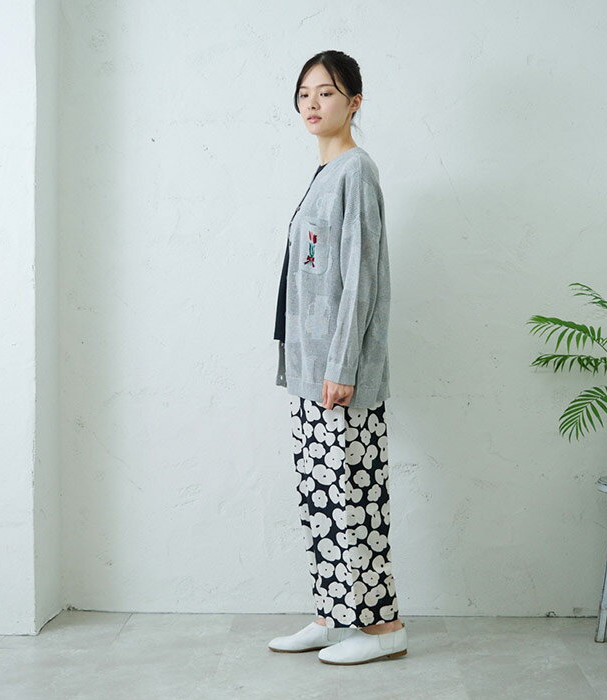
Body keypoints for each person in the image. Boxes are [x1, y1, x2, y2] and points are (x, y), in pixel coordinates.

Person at [268, 50, 407, 665]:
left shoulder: (356, 172)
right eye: (304, 93)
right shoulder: (325, 173)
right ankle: (333, 616)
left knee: (353, 497)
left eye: (325, 92)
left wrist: (341, 367)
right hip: (309, 370)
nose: (312, 103)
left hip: (337, 374)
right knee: (322, 499)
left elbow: (361, 279)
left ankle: (382, 630)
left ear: (354, 102)